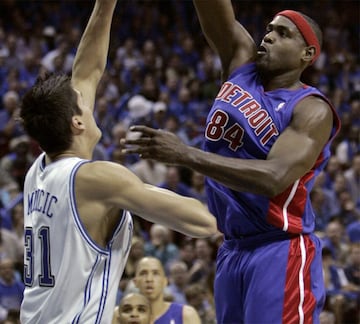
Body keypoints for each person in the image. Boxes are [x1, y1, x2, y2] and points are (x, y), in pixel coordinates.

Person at [122, 2, 341, 323]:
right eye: (268, 30)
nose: (268, 37)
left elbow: (274, 177)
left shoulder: (311, 109)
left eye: (283, 34)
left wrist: (186, 154)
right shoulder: (241, 65)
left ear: (306, 54)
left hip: (279, 248)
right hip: (231, 248)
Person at [18, 1, 217, 323]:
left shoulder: (39, 169)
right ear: (77, 123)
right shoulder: (98, 179)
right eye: (83, 104)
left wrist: (104, 5)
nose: (90, 100)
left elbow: (87, 72)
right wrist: (188, 155)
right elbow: (204, 223)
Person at [133, 256, 201, 324]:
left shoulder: (186, 314)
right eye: (143, 273)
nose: (149, 279)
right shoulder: (126, 319)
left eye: (155, 273)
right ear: (135, 282)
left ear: (165, 281)